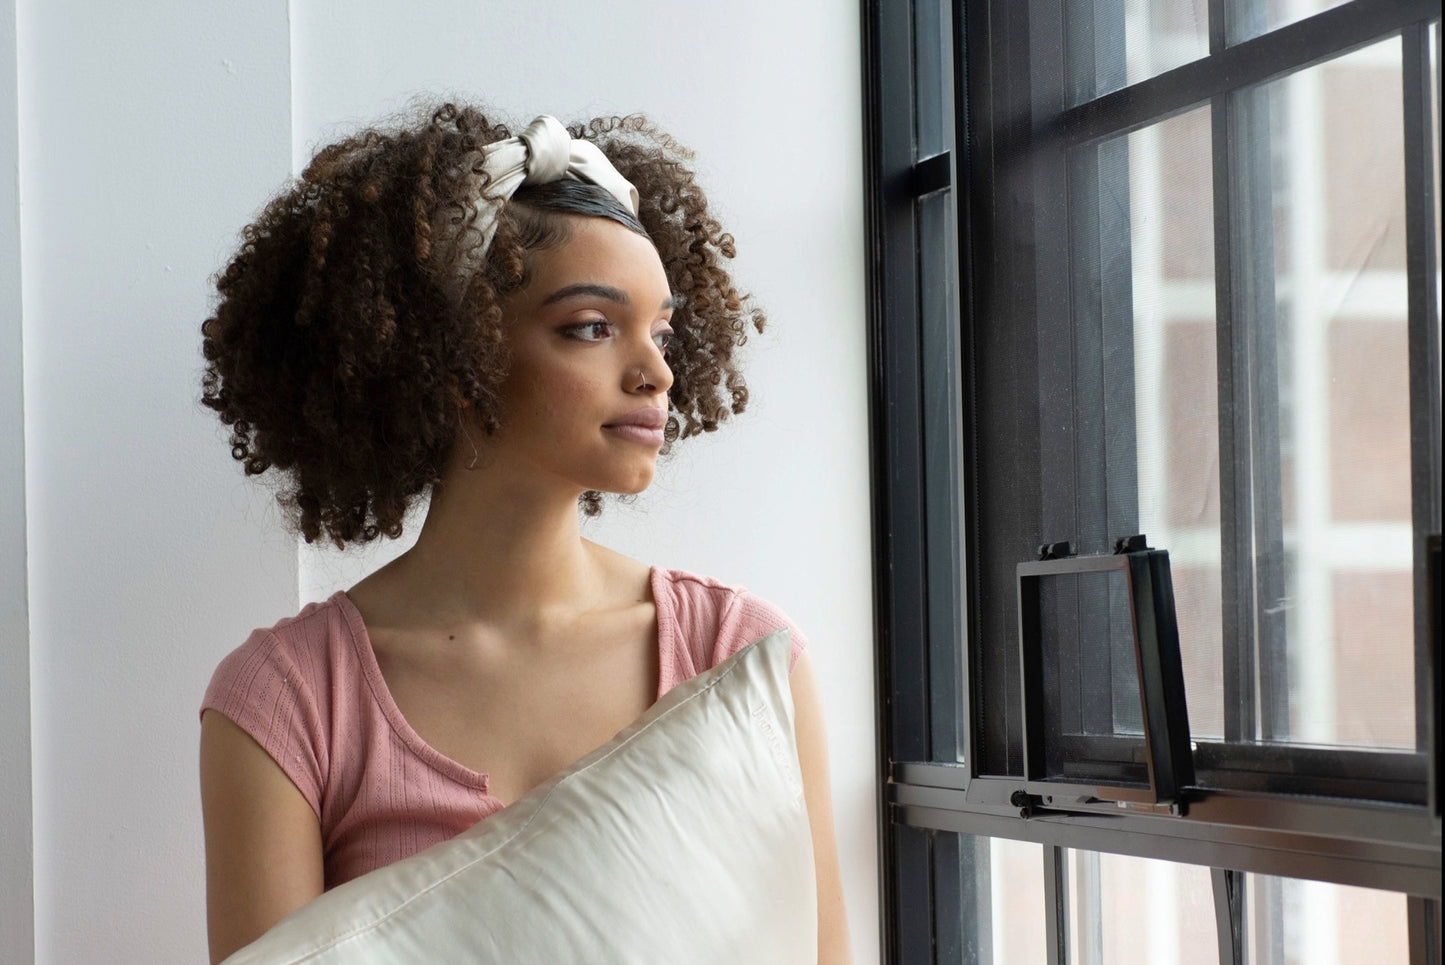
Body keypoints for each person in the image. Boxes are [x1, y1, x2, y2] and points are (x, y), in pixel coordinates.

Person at [197, 104, 851, 963]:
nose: (656, 371)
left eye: (661, 330)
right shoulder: (289, 701)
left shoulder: (743, 660)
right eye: (590, 327)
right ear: (457, 357)